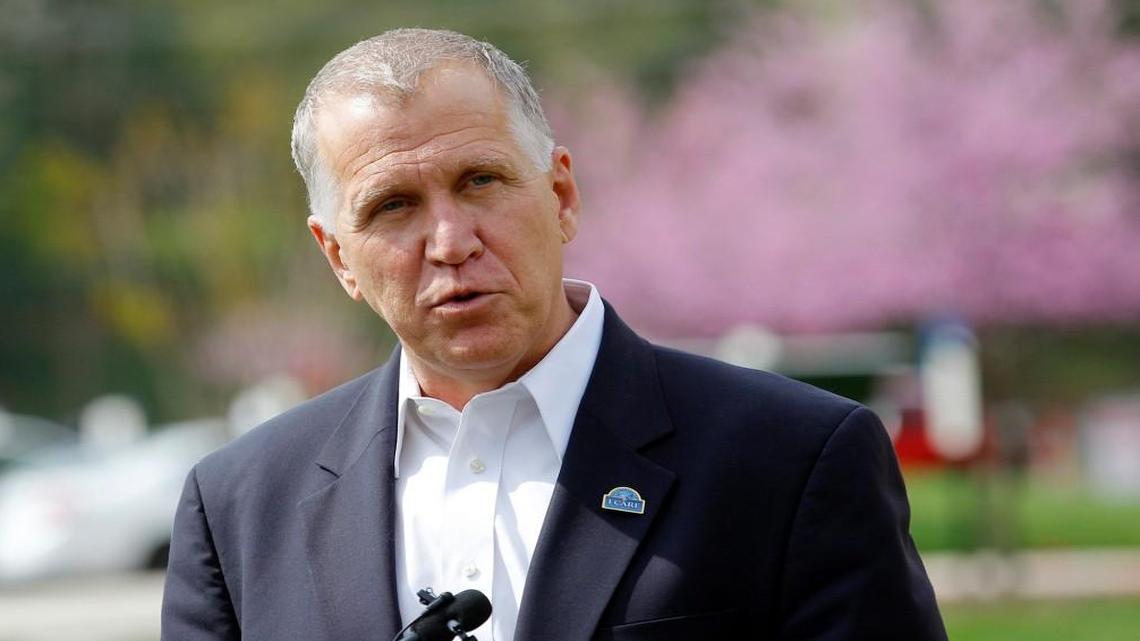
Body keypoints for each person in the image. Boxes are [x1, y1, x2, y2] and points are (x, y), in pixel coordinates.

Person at [161, 28, 947, 641]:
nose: (450, 239)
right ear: (338, 256)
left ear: (562, 193)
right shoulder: (237, 507)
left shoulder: (793, 459)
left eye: (481, 180)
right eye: (393, 205)